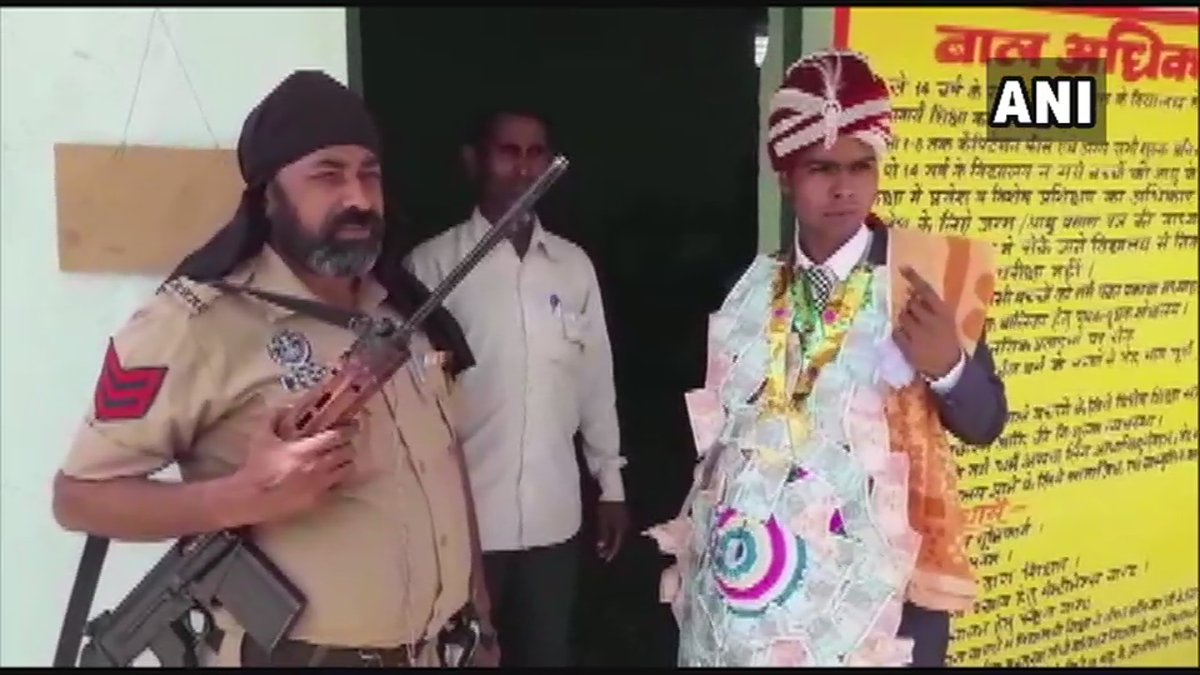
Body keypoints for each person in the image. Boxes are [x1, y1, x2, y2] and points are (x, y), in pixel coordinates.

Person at [51, 70, 500, 668]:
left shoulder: (405, 314)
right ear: (268, 195)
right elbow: (79, 499)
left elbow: (447, 463)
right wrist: (236, 499)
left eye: (369, 173)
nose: (359, 198)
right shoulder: (194, 325)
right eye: (328, 175)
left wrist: (480, 618)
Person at [646, 50, 1008, 668]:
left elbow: (986, 421)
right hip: (755, 604)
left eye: (861, 166)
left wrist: (948, 365)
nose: (845, 188)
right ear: (785, 177)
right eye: (821, 168)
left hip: (879, 613)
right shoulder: (749, 290)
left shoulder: (923, 275)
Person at [402, 105, 629, 666]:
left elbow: (595, 379)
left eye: (536, 153)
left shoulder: (572, 268)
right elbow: (407, 405)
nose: (524, 168)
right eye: (508, 152)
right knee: (463, 658)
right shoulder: (431, 267)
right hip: (464, 526)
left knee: (546, 655)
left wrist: (611, 484)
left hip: (554, 519)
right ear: (474, 161)